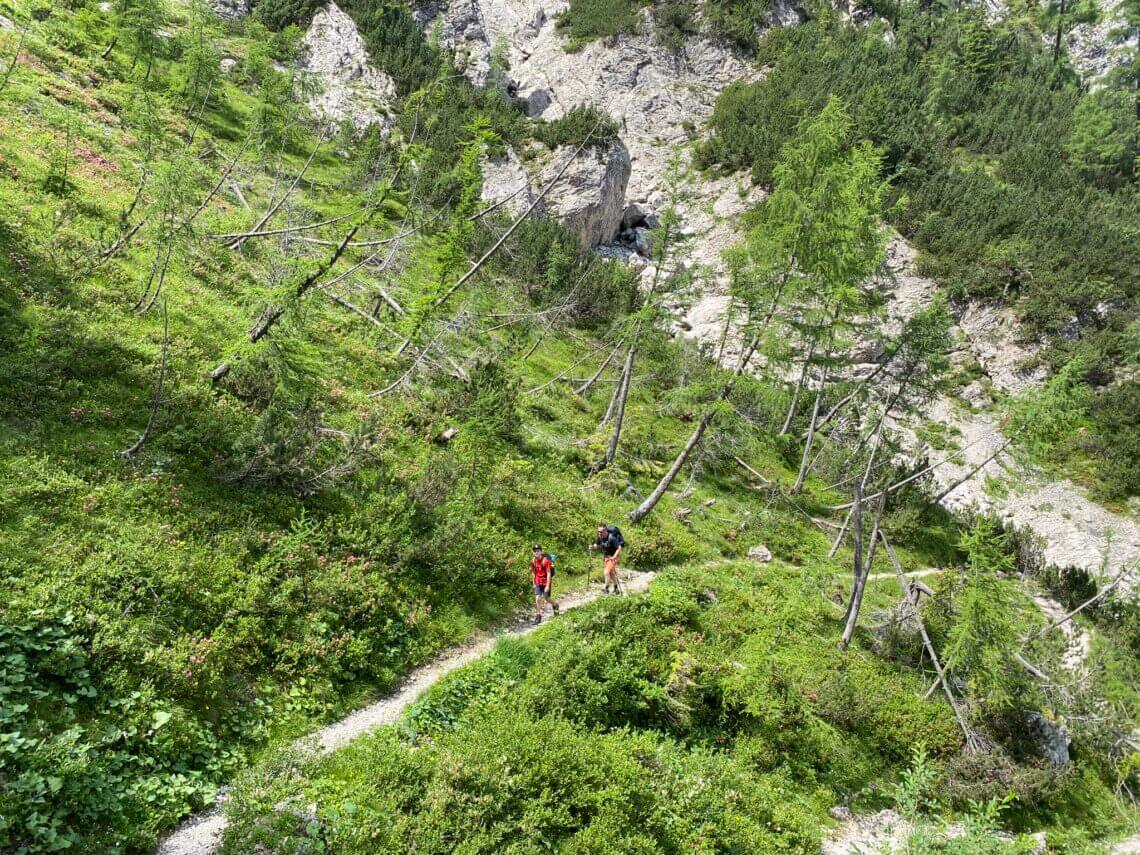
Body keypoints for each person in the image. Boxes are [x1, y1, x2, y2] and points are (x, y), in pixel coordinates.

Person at [589, 524, 624, 594]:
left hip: (613, 557)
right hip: (606, 557)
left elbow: (619, 548)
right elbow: (597, 545)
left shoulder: (612, 538)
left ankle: (606, 589)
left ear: (605, 531)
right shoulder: (600, 537)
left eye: (601, 532)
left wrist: (614, 556)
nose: (599, 533)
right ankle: (616, 588)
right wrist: (592, 546)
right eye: (598, 531)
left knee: (606, 572)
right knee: (611, 573)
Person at [530, 544, 559, 624]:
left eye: (538, 551)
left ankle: (555, 605)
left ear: (541, 551)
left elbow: (549, 573)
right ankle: (538, 617)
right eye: (535, 551)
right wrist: (533, 583)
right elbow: (533, 572)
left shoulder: (545, 561)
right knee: (537, 598)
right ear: (533, 552)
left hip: (546, 582)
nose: (536, 552)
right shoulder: (533, 561)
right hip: (538, 582)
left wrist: (547, 585)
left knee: (547, 598)